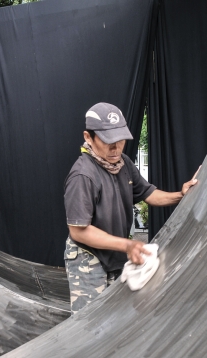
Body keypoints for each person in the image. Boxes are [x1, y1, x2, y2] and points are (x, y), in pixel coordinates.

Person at [64, 102, 199, 314]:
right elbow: (78, 230)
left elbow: (149, 194)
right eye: (108, 141)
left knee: (114, 318)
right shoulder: (83, 175)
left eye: (120, 140)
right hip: (88, 257)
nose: (115, 148)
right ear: (88, 137)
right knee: (89, 325)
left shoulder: (123, 164)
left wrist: (181, 195)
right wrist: (127, 245)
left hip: (115, 252)